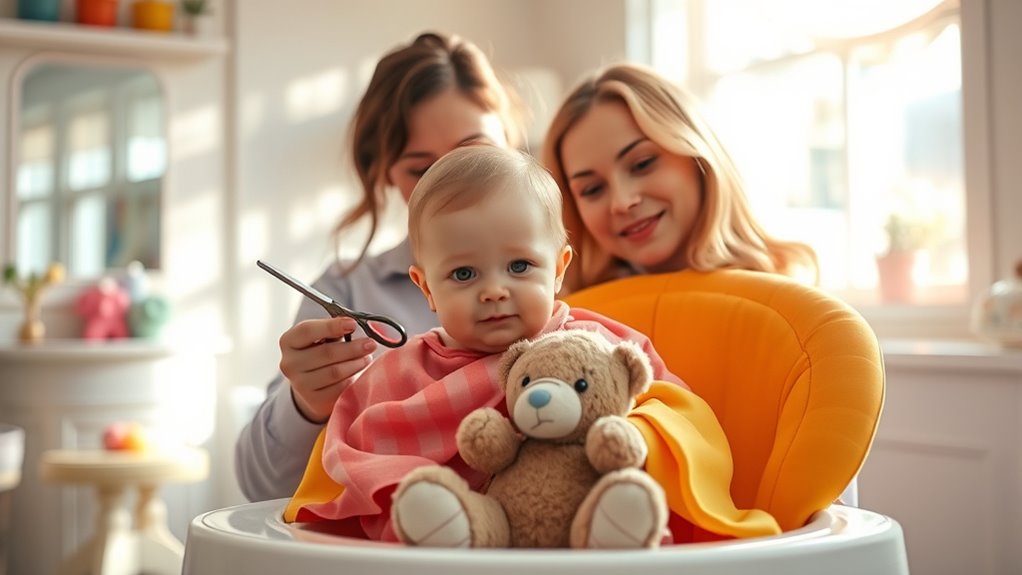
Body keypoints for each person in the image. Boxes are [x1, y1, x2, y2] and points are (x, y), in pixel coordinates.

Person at [283, 146, 781, 545]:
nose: (495, 290)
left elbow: (675, 412)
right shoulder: (404, 374)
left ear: (560, 268)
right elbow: (355, 449)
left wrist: (629, 439)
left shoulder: (596, 343)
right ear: (426, 288)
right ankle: (452, 519)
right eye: (463, 273)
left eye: (520, 266)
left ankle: (611, 517)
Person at [235, 31, 523, 502]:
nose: (453, 186)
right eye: (421, 170)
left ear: (510, 140)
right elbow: (261, 487)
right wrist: (307, 404)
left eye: (473, 153)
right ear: (387, 175)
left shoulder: (571, 277)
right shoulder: (346, 294)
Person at [541, 63, 818, 295]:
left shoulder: (789, 301)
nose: (623, 202)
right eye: (592, 189)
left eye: (643, 163)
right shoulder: (573, 322)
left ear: (697, 156)